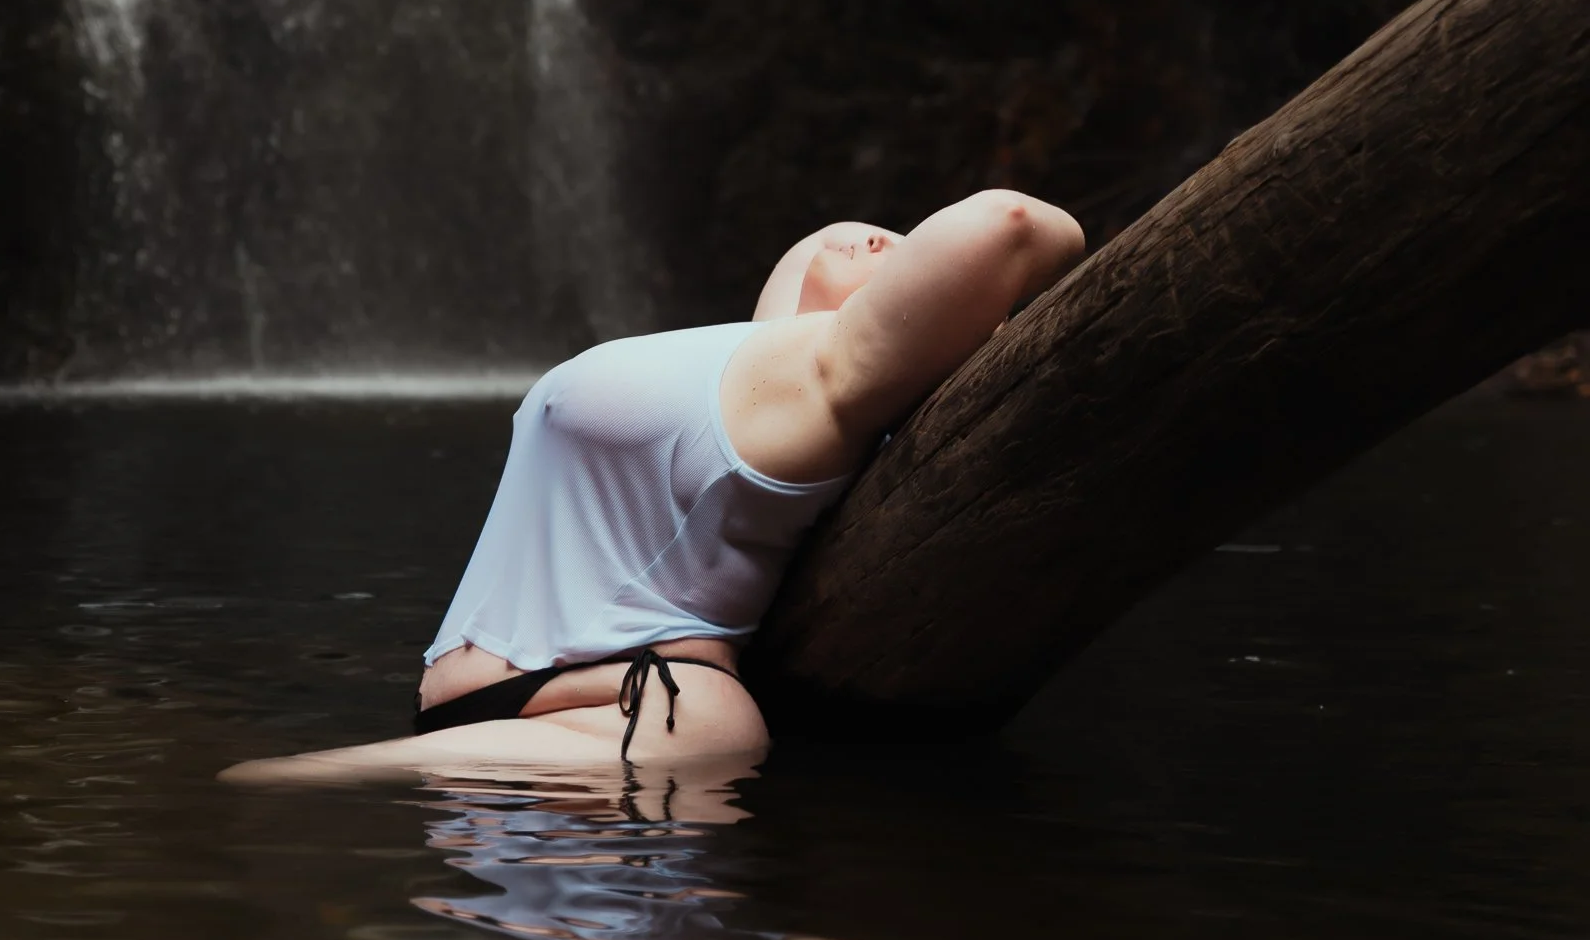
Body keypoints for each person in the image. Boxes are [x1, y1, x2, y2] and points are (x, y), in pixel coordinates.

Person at [221, 190, 1084, 784]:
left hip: (634, 703)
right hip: (533, 703)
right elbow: (821, 245)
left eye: (906, 250)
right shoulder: (762, 348)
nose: (880, 237)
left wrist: (1028, 283)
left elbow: (1014, 224)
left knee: (723, 735)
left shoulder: (827, 384)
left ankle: (313, 778)